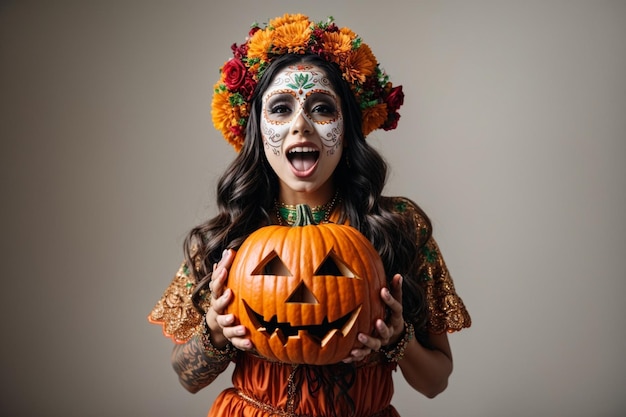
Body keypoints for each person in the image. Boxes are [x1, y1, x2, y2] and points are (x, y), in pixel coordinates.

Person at [148, 13, 471, 417]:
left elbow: (436, 382)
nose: (300, 126)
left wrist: (397, 341)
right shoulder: (229, 234)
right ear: (256, 129)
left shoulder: (396, 227)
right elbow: (186, 376)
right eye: (281, 109)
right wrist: (214, 330)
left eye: (321, 108)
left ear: (347, 126)